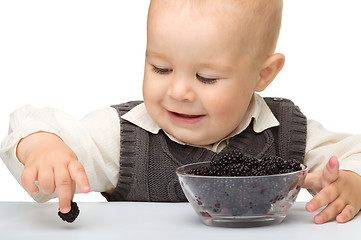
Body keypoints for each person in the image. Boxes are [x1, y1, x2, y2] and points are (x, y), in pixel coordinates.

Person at [1, 0, 361, 225]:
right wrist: (41, 146)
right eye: (160, 68)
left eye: (206, 77)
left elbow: (354, 153)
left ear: (263, 74)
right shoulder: (122, 138)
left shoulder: (287, 133)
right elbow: (33, 124)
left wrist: (352, 183)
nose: (178, 92)